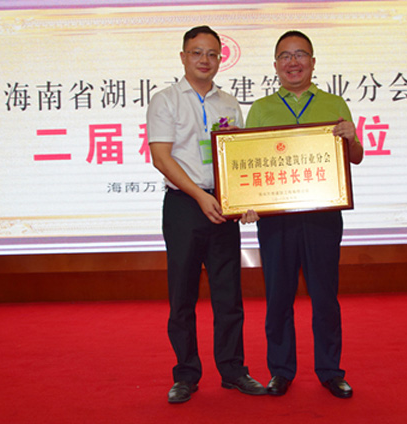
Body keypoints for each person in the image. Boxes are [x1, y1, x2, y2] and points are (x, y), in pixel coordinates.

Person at [146, 25, 266, 404]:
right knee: (182, 295)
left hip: (223, 206)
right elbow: (161, 157)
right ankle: (186, 374)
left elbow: (239, 158)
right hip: (184, 205)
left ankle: (233, 370)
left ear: (220, 59)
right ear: (183, 57)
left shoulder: (229, 104)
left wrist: (244, 199)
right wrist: (199, 196)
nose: (205, 60)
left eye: (212, 53)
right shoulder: (165, 100)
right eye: (197, 52)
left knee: (228, 294)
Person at [243, 30, 364, 399]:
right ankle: (280, 371)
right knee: (278, 297)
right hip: (275, 219)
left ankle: (330, 371)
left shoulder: (334, 104)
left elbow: (355, 158)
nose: (292, 62)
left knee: (324, 296)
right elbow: (248, 161)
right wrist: (245, 201)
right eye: (285, 56)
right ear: (275, 65)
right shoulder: (261, 109)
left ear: (312, 62)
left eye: (300, 55)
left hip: (322, 216)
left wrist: (351, 137)